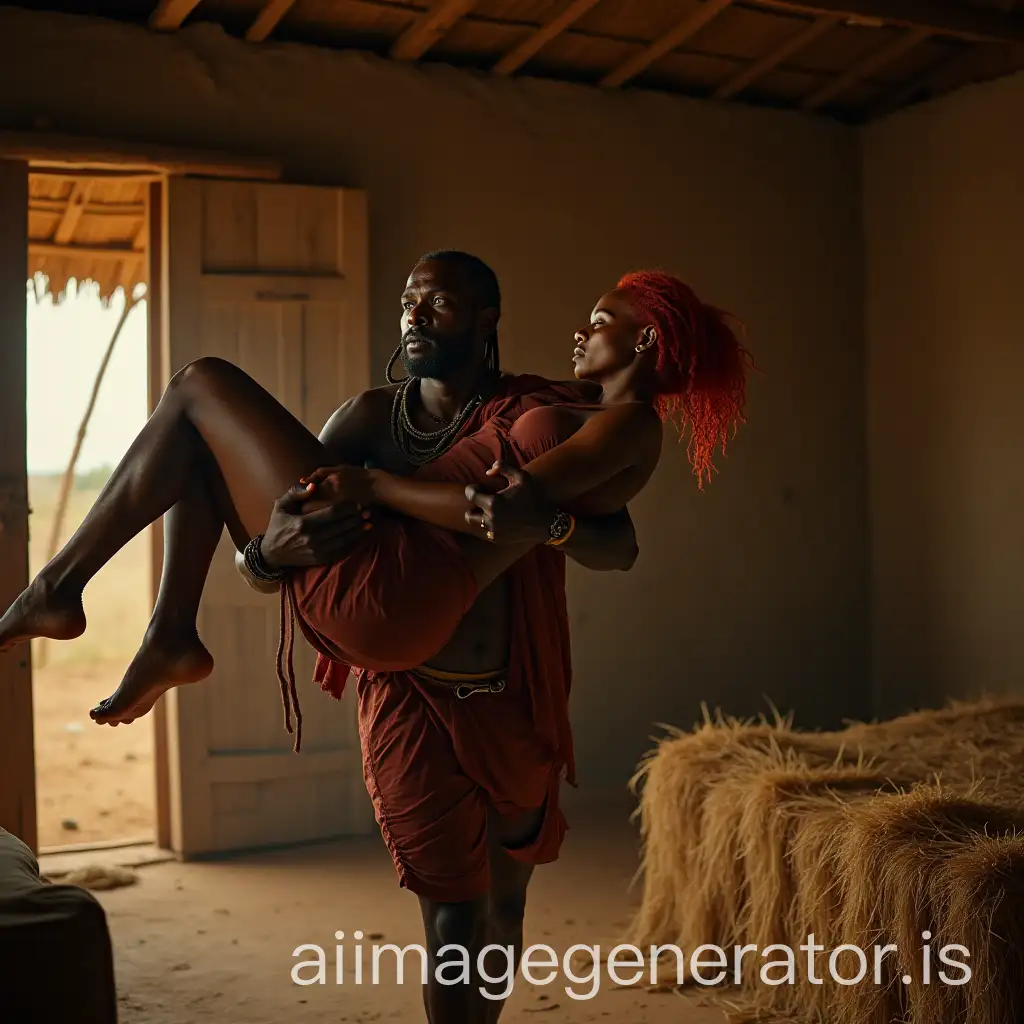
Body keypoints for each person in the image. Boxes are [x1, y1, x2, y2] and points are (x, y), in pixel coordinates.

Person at [0, 251, 750, 1024]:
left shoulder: (558, 406)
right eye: (407, 302)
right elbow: (271, 558)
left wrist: (539, 520)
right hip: (397, 663)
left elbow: (613, 541)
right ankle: (145, 623)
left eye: (441, 304)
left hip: (503, 685)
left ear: (488, 321)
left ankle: (117, 613)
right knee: (451, 916)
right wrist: (266, 553)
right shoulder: (363, 422)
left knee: (500, 912)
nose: (416, 316)